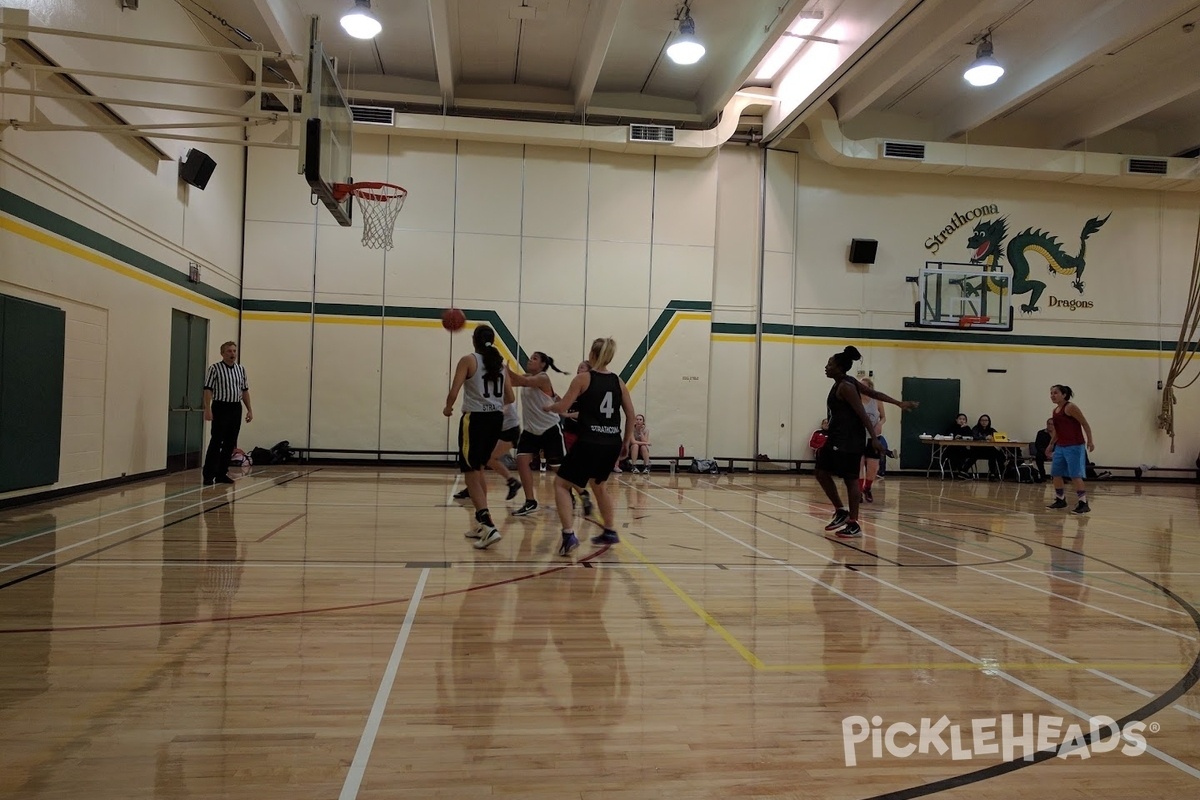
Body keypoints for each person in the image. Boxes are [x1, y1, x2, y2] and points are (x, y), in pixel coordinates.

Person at [547, 338, 635, 557]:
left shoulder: (583, 378)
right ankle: (610, 530)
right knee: (599, 484)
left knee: (560, 484)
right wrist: (626, 441)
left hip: (589, 441)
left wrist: (549, 406)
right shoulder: (618, 381)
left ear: (592, 355)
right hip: (611, 442)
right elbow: (631, 413)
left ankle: (568, 535)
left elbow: (563, 407)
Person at [817, 348, 911, 536]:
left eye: (830, 364)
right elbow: (874, 394)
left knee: (850, 479)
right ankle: (841, 512)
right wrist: (898, 403)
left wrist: (874, 438)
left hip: (849, 439)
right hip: (838, 437)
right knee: (820, 471)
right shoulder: (845, 382)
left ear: (840, 368)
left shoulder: (846, 386)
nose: (826, 367)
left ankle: (853, 523)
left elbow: (861, 413)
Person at [443, 324, 514, 549]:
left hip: (475, 420)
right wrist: (491, 404)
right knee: (479, 470)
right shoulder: (500, 365)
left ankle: (489, 525)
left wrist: (448, 408)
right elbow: (510, 397)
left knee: (470, 472)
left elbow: (454, 391)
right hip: (495, 420)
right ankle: (481, 525)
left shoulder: (468, 360)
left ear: (474, 340)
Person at [504, 351, 568, 516]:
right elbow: (512, 381)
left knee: (557, 468)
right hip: (531, 430)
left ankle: (578, 493)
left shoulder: (543, 378)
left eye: (534, 358)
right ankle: (530, 501)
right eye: (530, 357)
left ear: (542, 365)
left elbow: (523, 381)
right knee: (521, 460)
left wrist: (505, 368)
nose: (530, 360)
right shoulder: (526, 377)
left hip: (549, 428)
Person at [202, 341, 253, 486]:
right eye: (229, 351)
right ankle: (208, 474)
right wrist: (208, 408)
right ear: (222, 353)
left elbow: (244, 391)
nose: (232, 354)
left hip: (235, 407)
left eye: (234, 351)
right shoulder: (214, 369)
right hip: (220, 406)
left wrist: (249, 409)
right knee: (216, 441)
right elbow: (207, 389)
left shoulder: (241, 369)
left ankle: (221, 473)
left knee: (230, 443)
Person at [452, 401, 522, 503]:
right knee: (479, 460)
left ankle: (511, 481)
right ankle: (473, 487)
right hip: (495, 430)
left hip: (509, 431)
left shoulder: (499, 395)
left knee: (487, 459)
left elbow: (503, 409)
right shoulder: (486, 395)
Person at [1045, 384, 1095, 514]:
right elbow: (1058, 431)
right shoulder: (1055, 411)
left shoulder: (1071, 407)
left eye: (1055, 393)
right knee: (1055, 473)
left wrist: (1090, 441)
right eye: (1051, 393)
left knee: (1074, 474)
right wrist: (1051, 444)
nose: (1052, 395)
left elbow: (1084, 423)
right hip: (1061, 446)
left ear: (1064, 395)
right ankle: (1060, 499)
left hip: (1074, 446)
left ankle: (1083, 503)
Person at [858, 378, 885, 502]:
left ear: (869, 387)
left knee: (873, 467)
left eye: (863, 385)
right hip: (858, 437)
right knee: (859, 466)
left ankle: (867, 488)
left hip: (873, 438)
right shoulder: (855, 399)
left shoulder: (876, 400)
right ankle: (858, 492)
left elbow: (884, 417)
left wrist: (880, 424)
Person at [971, 414, 1005, 480]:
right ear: (979, 421)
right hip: (977, 450)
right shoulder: (975, 429)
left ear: (989, 422)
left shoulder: (991, 430)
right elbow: (974, 437)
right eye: (982, 420)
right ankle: (994, 473)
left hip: (988, 451)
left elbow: (998, 437)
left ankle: (994, 473)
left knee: (995, 453)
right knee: (994, 453)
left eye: (986, 420)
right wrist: (985, 438)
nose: (984, 422)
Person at [944, 413, 975, 478]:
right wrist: (955, 437)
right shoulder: (952, 427)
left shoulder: (967, 428)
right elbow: (948, 435)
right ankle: (961, 472)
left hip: (964, 448)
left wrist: (964, 429)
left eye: (964, 419)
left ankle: (963, 471)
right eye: (960, 419)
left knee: (974, 454)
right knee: (958, 453)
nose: (962, 421)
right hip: (953, 448)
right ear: (956, 420)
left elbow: (971, 437)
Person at [1033, 418, 1054, 482]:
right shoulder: (1041, 433)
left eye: (1052, 424)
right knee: (1039, 456)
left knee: (1063, 457)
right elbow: (1038, 445)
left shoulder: (1058, 434)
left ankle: (1060, 477)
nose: (1050, 426)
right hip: (1043, 452)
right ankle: (1042, 475)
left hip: (1055, 453)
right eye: (1049, 424)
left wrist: (1053, 453)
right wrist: (1046, 453)